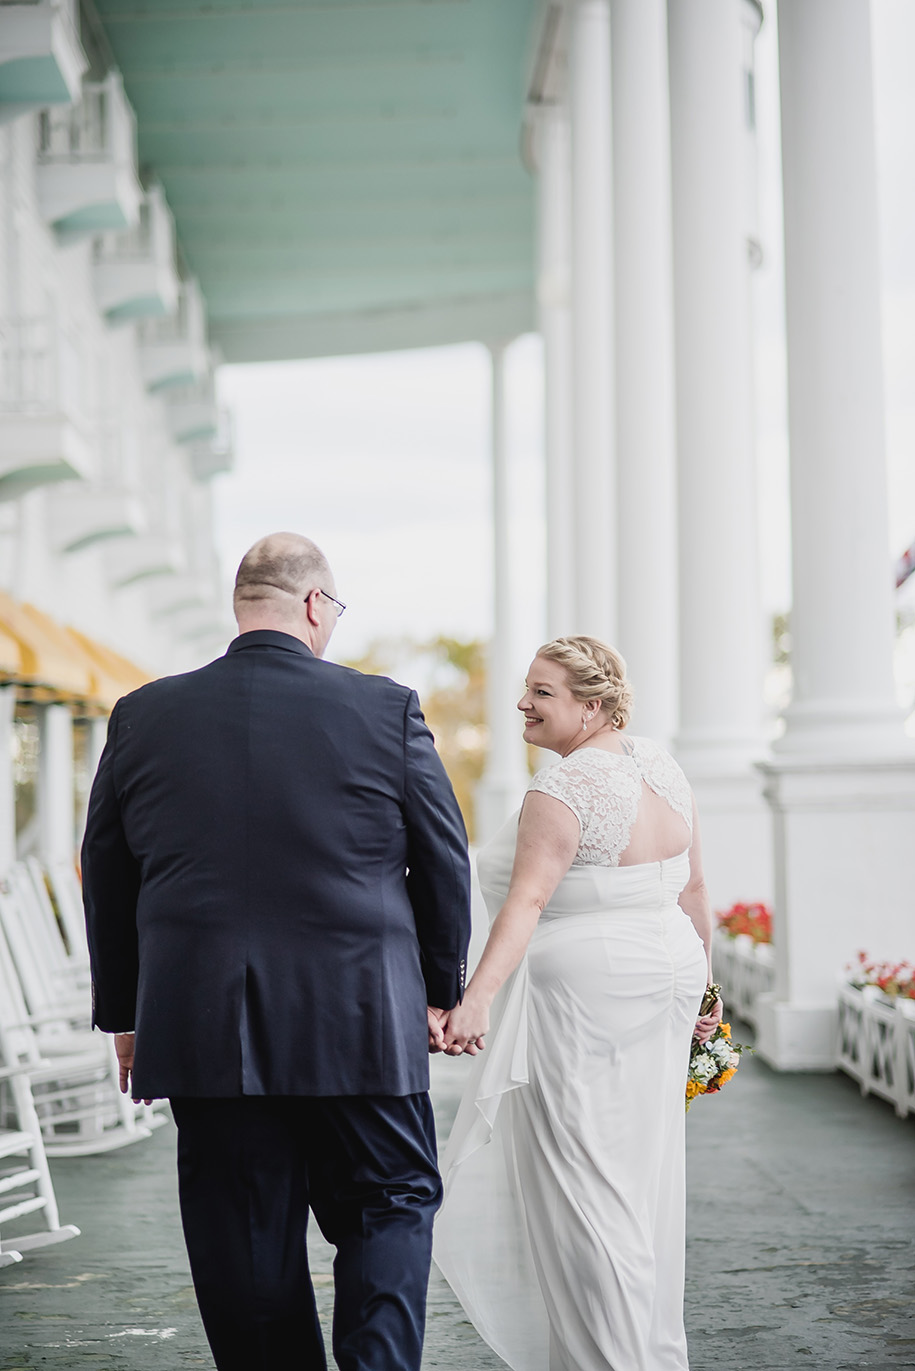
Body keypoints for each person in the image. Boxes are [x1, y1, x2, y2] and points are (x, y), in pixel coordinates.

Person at [82, 532, 471, 1371]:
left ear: (241, 605)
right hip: (363, 1017)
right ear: (313, 605)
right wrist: (441, 991)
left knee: (242, 1238)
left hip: (203, 1024)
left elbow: (107, 874)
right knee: (388, 1206)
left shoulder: (142, 713)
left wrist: (125, 1014)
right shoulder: (385, 707)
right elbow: (443, 857)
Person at [432, 635, 722, 1371]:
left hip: (586, 998)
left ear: (591, 707)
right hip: (666, 977)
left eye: (542, 691)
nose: (522, 702)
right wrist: (706, 987)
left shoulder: (559, 790)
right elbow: (691, 890)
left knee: (583, 1183)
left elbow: (525, 905)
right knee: (642, 1175)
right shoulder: (663, 766)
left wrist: (476, 1001)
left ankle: (612, 1357)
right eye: (526, 687)